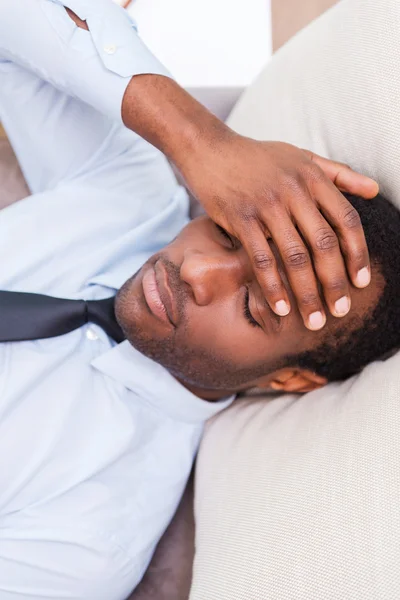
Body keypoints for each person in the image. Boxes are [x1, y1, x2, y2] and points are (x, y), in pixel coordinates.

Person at [0, 1, 388, 599]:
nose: (198, 270)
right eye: (229, 232)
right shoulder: (127, 191)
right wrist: (200, 139)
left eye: (256, 308)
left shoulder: (91, 533)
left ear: (290, 380)